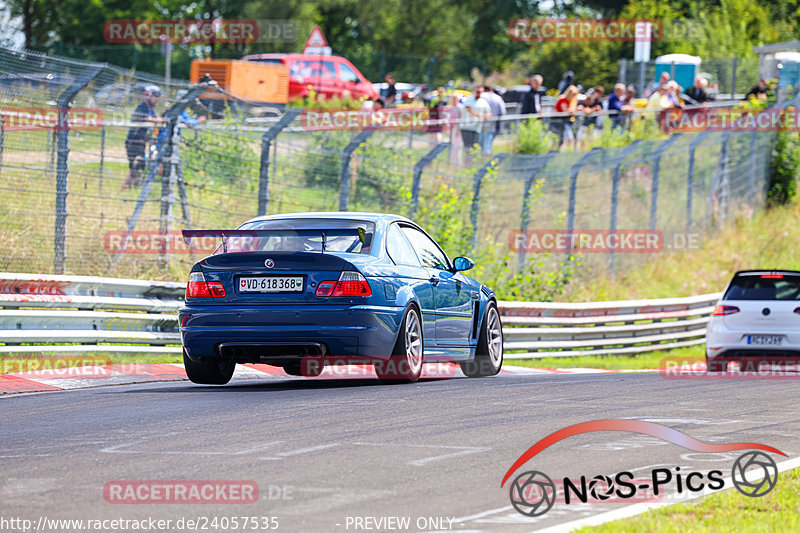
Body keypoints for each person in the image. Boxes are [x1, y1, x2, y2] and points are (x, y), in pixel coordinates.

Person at [123, 84, 166, 190]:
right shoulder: (142, 107)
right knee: (135, 166)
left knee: (136, 167)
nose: (156, 100)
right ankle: (126, 188)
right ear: (148, 96)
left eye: (157, 98)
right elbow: (146, 118)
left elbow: (156, 118)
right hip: (134, 142)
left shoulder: (150, 109)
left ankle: (126, 189)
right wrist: (162, 120)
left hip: (141, 142)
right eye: (154, 97)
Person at [459, 86, 491, 155]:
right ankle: (467, 164)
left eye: (480, 92)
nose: (478, 93)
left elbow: (488, 113)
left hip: (477, 128)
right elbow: (469, 109)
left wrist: (482, 116)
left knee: (475, 148)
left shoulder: (483, 102)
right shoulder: (468, 100)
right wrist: (480, 116)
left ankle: (473, 164)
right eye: (477, 92)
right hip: (467, 128)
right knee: (468, 149)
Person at [481, 85, 506, 154]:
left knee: (480, 145)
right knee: (487, 145)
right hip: (492, 125)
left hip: (480, 124)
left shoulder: (481, 96)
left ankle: (480, 161)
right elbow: (502, 112)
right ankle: (486, 160)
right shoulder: (498, 98)